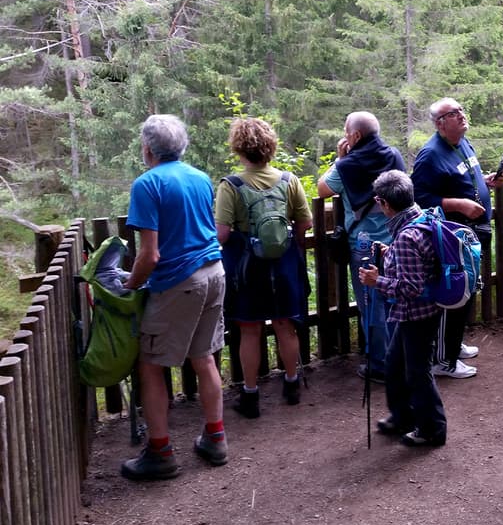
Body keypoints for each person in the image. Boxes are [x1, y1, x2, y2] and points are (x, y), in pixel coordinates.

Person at [120, 114, 229, 480]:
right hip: (214, 272)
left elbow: (149, 255)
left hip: (178, 281)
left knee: (151, 364)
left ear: (147, 148)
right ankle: (215, 439)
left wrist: (130, 285)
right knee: (203, 357)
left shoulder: (147, 184)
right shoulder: (199, 177)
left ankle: (160, 452)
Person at [215, 117, 313, 418]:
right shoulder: (288, 180)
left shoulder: (231, 186)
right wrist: (286, 244)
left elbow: (222, 234)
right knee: (285, 325)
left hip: (247, 269)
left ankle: (251, 395)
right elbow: (305, 222)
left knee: (250, 330)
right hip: (283, 265)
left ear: (239, 149)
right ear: (270, 146)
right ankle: (292, 384)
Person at [358, 170, 447, 447]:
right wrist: (390, 252)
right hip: (415, 313)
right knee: (395, 365)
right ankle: (403, 417)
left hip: (417, 314)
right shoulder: (419, 217)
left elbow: (411, 288)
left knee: (417, 371)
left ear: (383, 203)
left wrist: (377, 281)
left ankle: (432, 428)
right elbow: (420, 261)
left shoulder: (407, 235)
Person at [410, 98, 496, 378]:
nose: (461, 115)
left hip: (473, 233)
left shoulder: (462, 143)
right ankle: (443, 361)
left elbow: (465, 178)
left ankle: (453, 345)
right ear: (439, 123)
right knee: (453, 294)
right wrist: (458, 205)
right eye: (453, 113)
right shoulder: (430, 154)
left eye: (461, 110)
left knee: (467, 292)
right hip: (452, 239)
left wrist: (488, 182)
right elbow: (419, 198)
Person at [317, 112, 405, 382]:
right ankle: (400, 359)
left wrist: (340, 159)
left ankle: (380, 365)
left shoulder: (346, 166)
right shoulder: (394, 155)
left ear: (355, 136)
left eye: (346, 132)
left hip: (364, 247)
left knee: (372, 307)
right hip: (396, 241)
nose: (345, 136)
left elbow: (322, 189)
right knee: (396, 300)